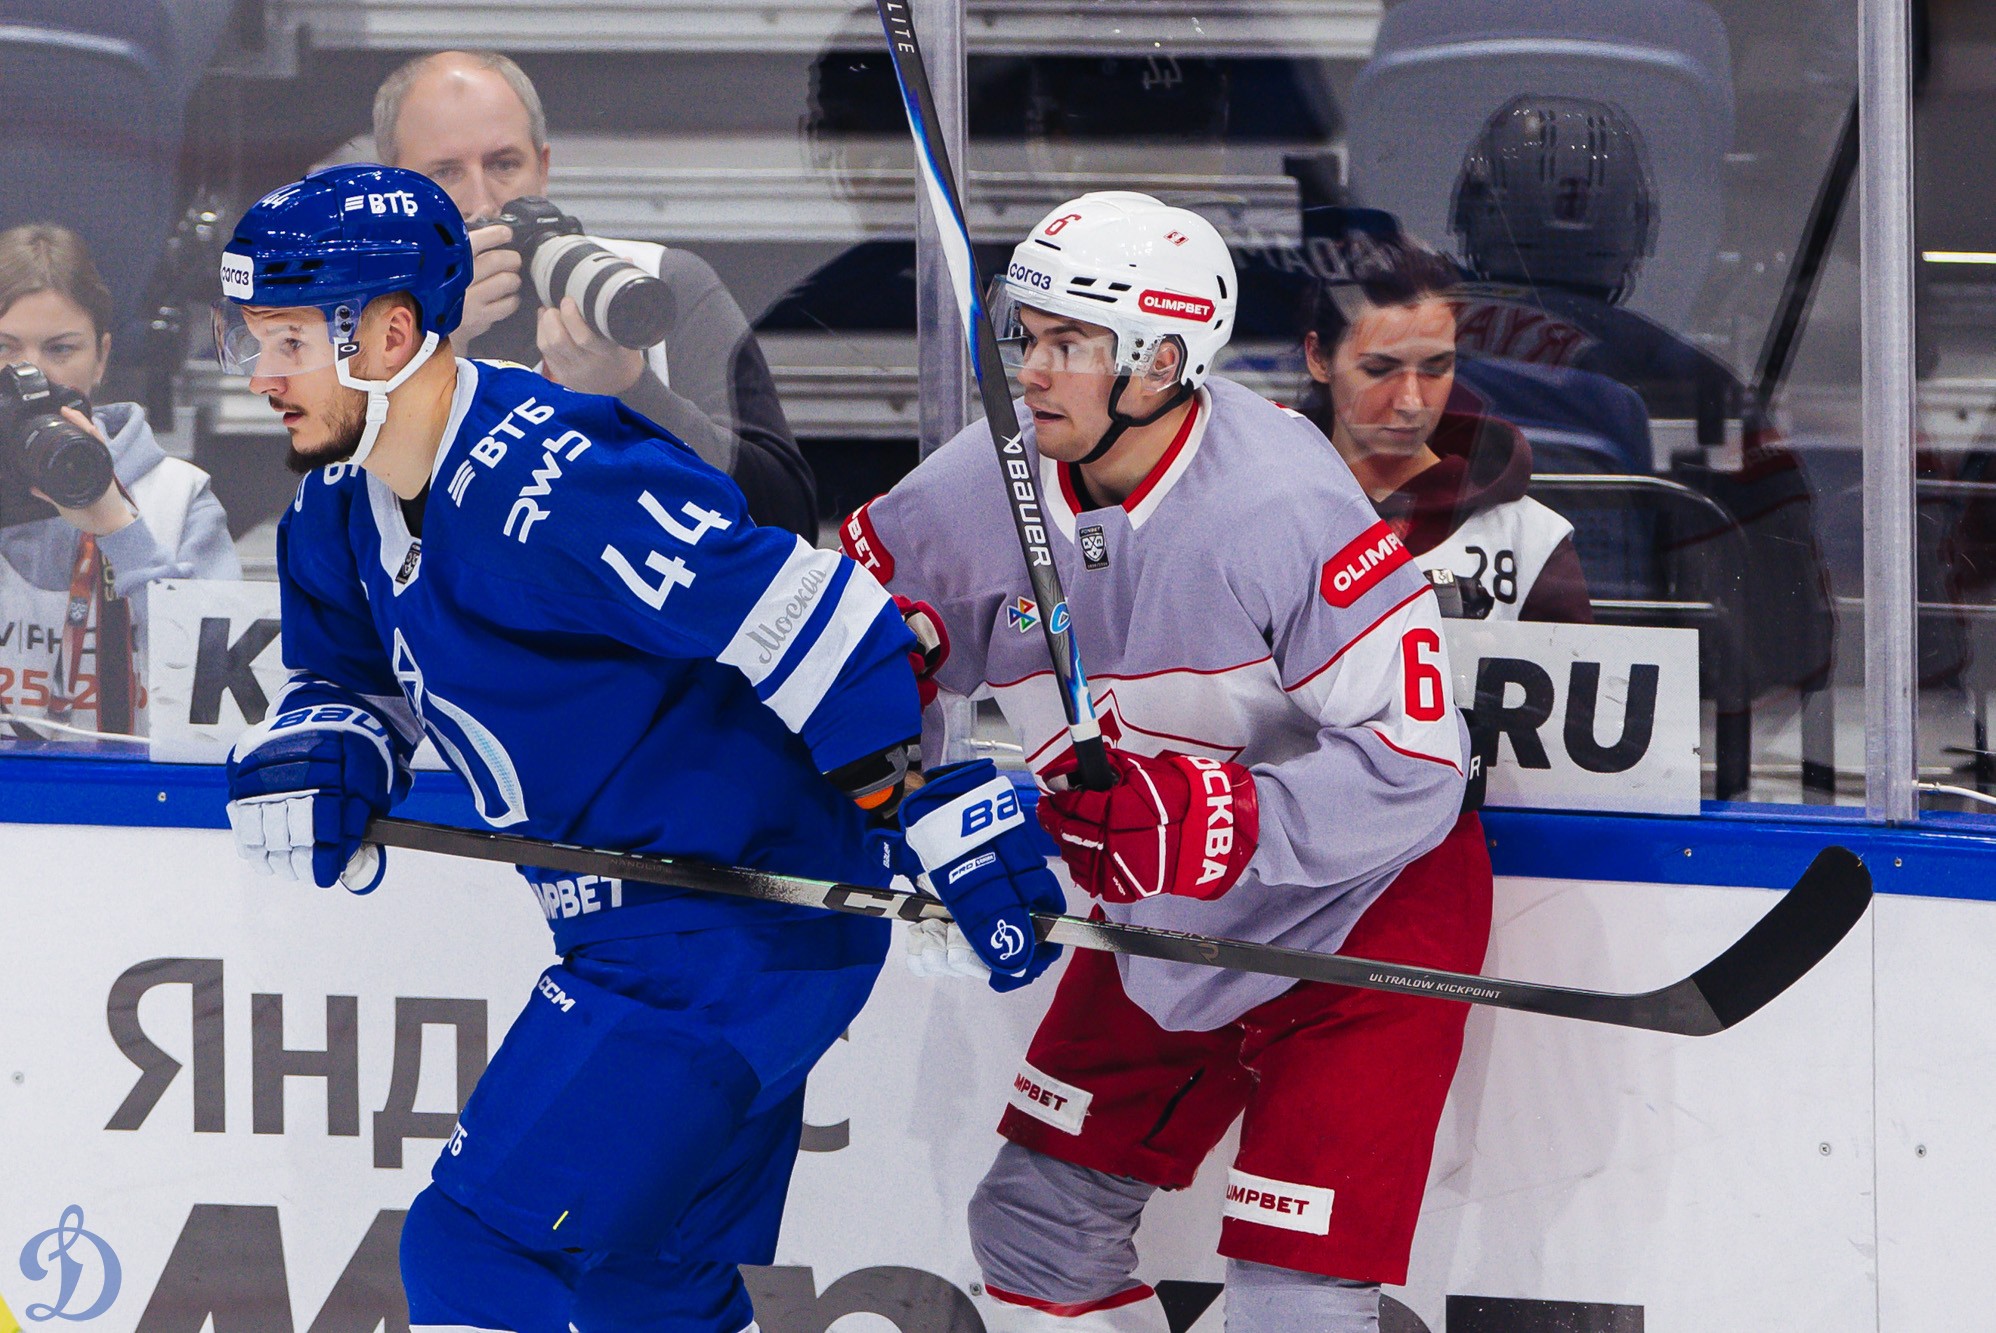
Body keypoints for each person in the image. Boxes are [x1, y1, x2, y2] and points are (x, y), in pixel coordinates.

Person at [214, 163, 1062, 1333]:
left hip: (727, 935)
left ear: (391, 334)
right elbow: (346, 673)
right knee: (647, 1292)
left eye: (288, 342)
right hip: (666, 935)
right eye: (252, 341)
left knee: (476, 1250)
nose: (259, 376)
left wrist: (911, 803)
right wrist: (332, 747)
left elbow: (808, 613)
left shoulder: (555, 477)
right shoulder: (335, 502)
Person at [842, 192, 1491, 1333]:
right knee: (1036, 1227)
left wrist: (1223, 819)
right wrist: (903, 802)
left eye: (1071, 344)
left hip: (1361, 906)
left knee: (1292, 1300)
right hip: (1167, 904)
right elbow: (856, 654)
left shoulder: (1280, 500)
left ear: (1163, 358)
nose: (1031, 371)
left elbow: (1418, 765)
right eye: (1028, 335)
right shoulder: (980, 479)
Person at [371, 49, 819, 537]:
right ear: (391, 191)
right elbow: (347, 550)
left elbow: (788, 521)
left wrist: (632, 392)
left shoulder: (651, 284)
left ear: (542, 169)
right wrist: (435, 355)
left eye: (504, 164)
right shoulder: (355, 327)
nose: (481, 204)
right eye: (444, 173)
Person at [0, 223, 238, 739]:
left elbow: (221, 697)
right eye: (5, 347)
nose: (30, 374)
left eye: (60, 349)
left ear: (102, 358)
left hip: (133, 791)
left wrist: (119, 529)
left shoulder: (177, 497)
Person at [1297, 230, 1592, 624]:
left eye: (1436, 369)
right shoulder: (1260, 517)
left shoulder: (1531, 541)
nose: (1411, 402)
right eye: (1379, 369)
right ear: (1319, 358)